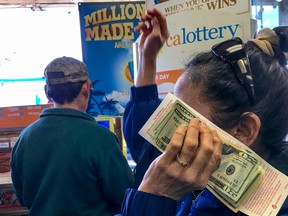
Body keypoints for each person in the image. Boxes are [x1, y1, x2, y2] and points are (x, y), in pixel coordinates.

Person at [121, 8, 288, 215]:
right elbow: (145, 142)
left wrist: (153, 195)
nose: (168, 128)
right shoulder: (195, 170)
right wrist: (148, 57)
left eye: (183, 116)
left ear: (243, 130)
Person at [10, 56, 134, 216]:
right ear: (86, 88)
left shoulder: (24, 139)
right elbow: (125, 195)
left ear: (47, 92)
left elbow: (23, 198)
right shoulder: (101, 138)